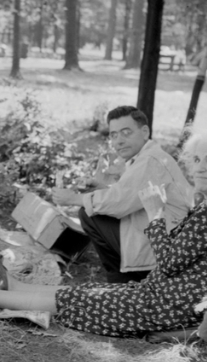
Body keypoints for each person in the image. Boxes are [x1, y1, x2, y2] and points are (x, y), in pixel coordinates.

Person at [0, 133, 207, 338]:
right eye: (197, 160)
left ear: (144, 132)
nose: (201, 168)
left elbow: (169, 263)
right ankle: (16, 287)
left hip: (170, 305)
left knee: (81, 299)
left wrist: (156, 214)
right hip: (166, 294)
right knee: (88, 290)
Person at [51, 106, 191, 283]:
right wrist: (102, 186)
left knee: (88, 214)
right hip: (166, 236)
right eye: (114, 135)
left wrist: (73, 198)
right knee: (94, 208)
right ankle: (125, 278)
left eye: (126, 133)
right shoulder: (147, 156)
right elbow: (131, 194)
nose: (119, 141)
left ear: (145, 131)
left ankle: (124, 280)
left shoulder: (150, 160)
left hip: (166, 248)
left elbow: (120, 203)